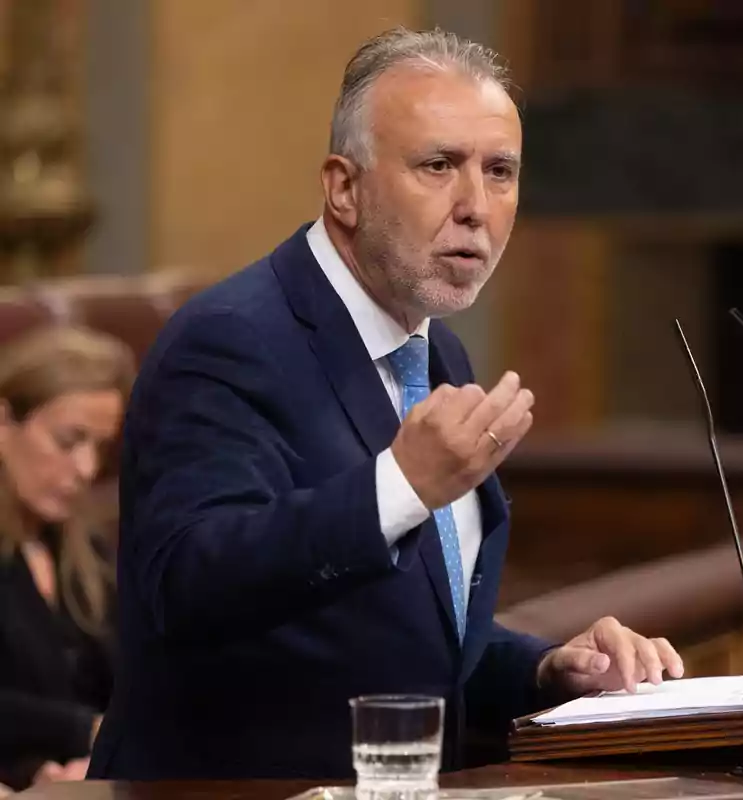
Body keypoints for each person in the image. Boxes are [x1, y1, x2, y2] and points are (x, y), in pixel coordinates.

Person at [88, 26, 684, 781]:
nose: (476, 207)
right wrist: (399, 487)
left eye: (500, 171)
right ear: (344, 187)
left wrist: (545, 672)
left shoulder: (438, 354)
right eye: (439, 166)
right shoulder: (230, 341)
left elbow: (407, 635)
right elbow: (189, 586)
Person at [0, 326, 134, 794]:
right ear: (3, 422)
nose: (87, 469)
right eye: (68, 440)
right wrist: (81, 734)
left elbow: (129, 675)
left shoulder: (82, 548)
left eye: (99, 447)